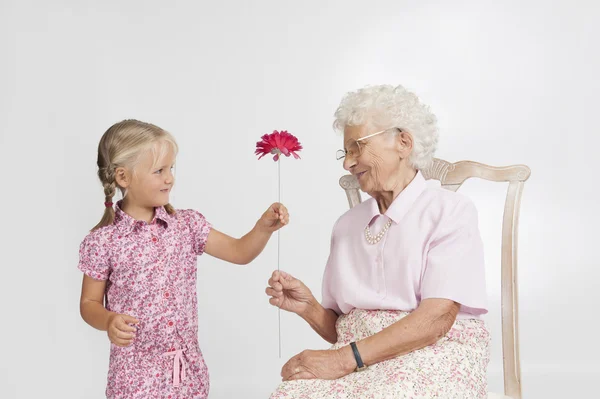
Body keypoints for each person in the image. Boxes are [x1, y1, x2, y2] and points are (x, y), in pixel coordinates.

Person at [266, 84, 490, 399]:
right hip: (361, 363)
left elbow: (436, 319)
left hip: (432, 353)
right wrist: (309, 308)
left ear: (403, 142)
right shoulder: (346, 226)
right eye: (346, 152)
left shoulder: (449, 211)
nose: (347, 163)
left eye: (357, 147)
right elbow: (341, 330)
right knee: (290, 393)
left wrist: (344, 359)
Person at [78, 119, 289, 399]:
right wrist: (108, 320)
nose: (170, 178)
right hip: (134, 377)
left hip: (186, 375)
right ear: (123, 177)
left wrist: (263, 227)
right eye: (159, 170)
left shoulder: (186, 225)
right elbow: (89, 303)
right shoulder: (104, 241)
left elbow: (240, 252)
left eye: (171, 168)